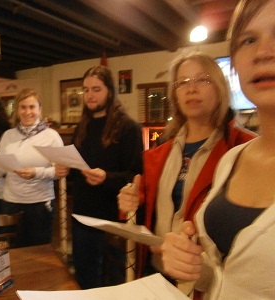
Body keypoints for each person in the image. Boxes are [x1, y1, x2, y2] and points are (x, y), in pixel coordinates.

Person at [159, 0, 275, 299]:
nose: (263, 52)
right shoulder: (233, 160)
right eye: (248, 40)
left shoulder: (230, 144)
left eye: (202, 80)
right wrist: (191, 263)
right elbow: (223, 276)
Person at [117, 51, 256, 296]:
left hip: (208, 285)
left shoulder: (244, 149)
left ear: (220, 88)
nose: (191, 89)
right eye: (183, 83)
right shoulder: (157, 155)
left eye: (203, 79)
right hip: (155, 273)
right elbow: (143, 214)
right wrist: (129, 202)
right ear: (175, 95)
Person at [71, 65, 143, 289]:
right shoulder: (82, 125)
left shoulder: (128, 127)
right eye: (86, 90)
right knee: (83, 278)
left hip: (112, 220)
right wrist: (67, 167)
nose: (90, 96)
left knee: (111, 284)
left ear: (110, 91)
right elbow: (77, 166)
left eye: (96, 89)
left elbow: (136, 176)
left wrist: (106, 178)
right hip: (81, 215)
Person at [0, 88, 65, 247]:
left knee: (40, 252)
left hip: (40, 203)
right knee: (14, 251)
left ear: (40, 109)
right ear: (17, 110)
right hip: (11, 202)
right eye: (23, 107)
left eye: (32, 107)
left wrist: (36, 172)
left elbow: (59, 172)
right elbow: (3, 166)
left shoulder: (51, 136)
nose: (27, 112)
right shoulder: (8, 135)